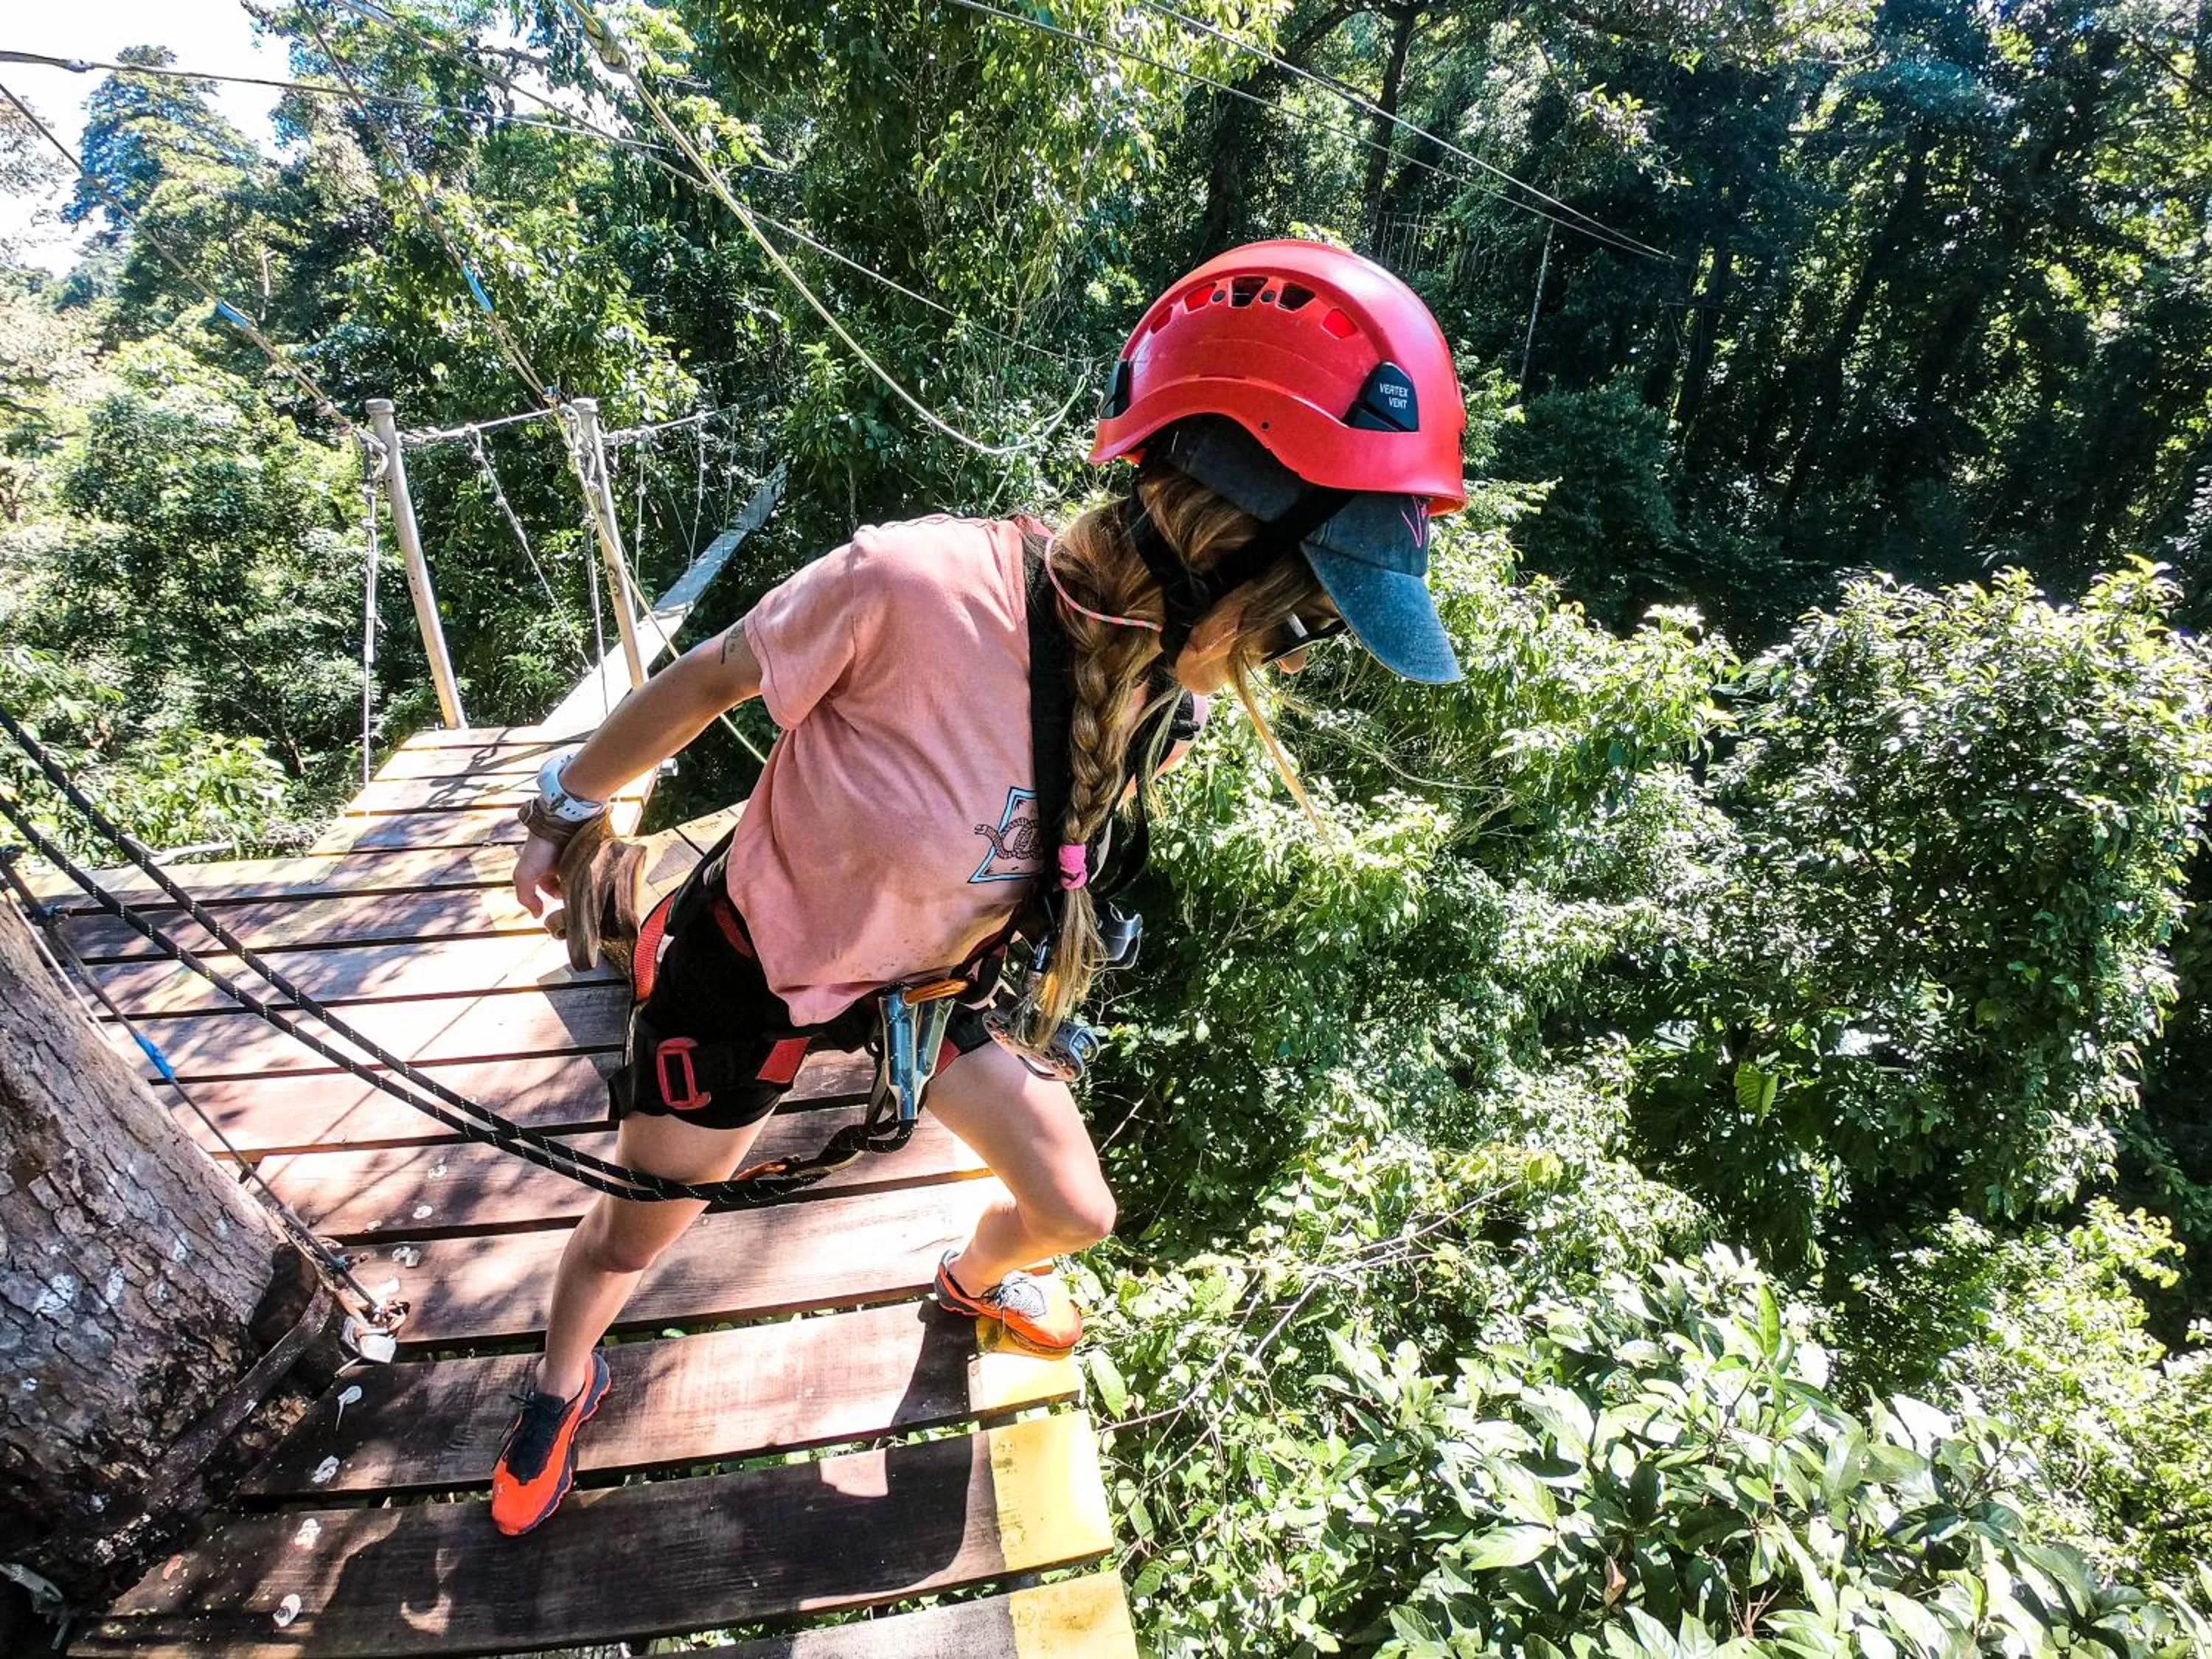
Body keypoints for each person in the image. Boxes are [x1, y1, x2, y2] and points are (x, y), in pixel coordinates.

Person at [487, 238, 1471, 1536]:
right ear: (1213, 544)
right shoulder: (914, 585)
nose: (1291, 658)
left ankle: (970, 1282)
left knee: (1073, 1208)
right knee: (633, 1235)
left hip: (930, 986)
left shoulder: (1157, 688)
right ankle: (564, 1376)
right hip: (758, 964)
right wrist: (564, 808)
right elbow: (709, 677)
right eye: (1304, 617)